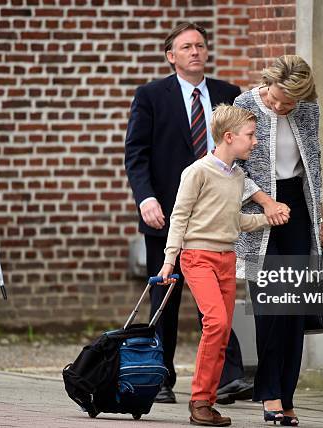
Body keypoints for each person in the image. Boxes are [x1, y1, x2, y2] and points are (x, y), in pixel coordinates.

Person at [124, 22, 253, 404]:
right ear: (171, 56)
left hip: (215, 220)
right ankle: (160, 377)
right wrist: (145, 198)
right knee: (166, 297)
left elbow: (243, 150)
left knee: (215, 300)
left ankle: (227, 377)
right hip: (165, 213)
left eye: (200, 45)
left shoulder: (229, 95)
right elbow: (136, 154)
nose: (195, 51)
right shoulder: (150, 96)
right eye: (186, 47)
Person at [158, 105, 282, 426]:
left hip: (227, 258)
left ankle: (208, 403)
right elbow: (180, 217)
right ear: (229, 137)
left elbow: (233, 220)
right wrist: (170, 260)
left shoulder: (239, 176)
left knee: (223, 330)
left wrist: (267, 219)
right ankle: (199, 400)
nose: (255, 141)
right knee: (214, 322)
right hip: (197, 257)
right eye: (250, 136)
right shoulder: (196, 172)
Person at [233, 55, 323, 426]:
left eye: (286, 103)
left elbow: (313, 164)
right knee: (270, 306)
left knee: (293, 311)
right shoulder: (244, 105)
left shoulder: (307, 110)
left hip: (298, 212)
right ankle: (269, 392)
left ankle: (286, 396)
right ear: (268, 85)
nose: (278, 106)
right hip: (259, 212)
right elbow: (232, 166)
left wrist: (318, 219)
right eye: (275, 99)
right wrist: (266, 201)